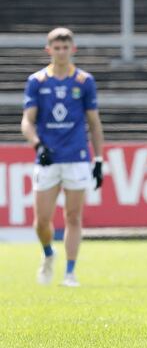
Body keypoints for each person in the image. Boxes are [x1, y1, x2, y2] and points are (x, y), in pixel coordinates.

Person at [21, 27, 105, 288]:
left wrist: (98, 160)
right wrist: (37, 145)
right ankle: (48, 253)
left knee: (73, 216)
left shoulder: (84, 81)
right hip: (48, 158)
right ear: (49, 50)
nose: (61, 52)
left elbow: (94, 123)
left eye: (65, 47)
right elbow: (27, 120)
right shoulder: (37, 81)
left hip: (77, 157)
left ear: (72, 49)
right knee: (41, 222)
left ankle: (70, 273)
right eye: (56, 48)